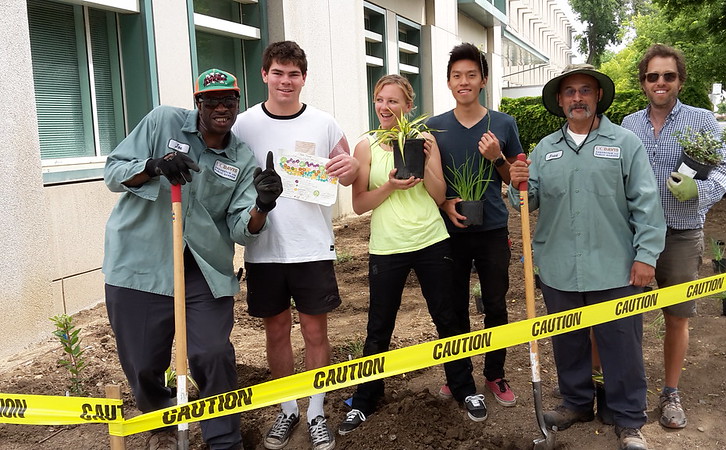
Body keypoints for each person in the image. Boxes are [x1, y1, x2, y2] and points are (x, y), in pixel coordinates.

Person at [103, 68, 282, 450]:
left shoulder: (241, 158)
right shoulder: (161, 121)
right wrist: (152, 167)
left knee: (212, 353)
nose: (221, 107)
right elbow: (114, 171)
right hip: (140, 266)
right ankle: (164, 424)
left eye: (228, 100)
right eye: (211, 100)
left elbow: (239, 226)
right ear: (197, 102)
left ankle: (224, 440)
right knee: (142, 363)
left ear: (237, 104)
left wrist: (264, 205)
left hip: (203, 269)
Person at [508, 64, 666, 450]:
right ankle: (577, 403)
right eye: (569, 92)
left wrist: (646, 256)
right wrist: (516, 183)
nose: (577, 98)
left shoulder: (625, 143)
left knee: (622, 345)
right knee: (568, 342)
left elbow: (646, 204)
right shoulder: (546, 149)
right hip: (559, 267)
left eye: (585, 91)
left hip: (615, 267)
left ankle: (628, 419)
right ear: (560, 101)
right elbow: (526, 204)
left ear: (597, 98)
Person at [336, 74, 484, 435]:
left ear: (408, 107)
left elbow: (437, 195)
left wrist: (428, 160)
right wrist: (390, 185)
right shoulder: (366, 146)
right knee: (378, 327)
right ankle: (366, 398)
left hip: (432, 240)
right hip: (387, 247)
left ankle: (465, 389)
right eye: (379, 100)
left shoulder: (424, 139)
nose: (385, 107)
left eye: (393, 101)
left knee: (447, 318)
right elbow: (358, 205)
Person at [231, 41, 358, 450]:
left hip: (312, 246)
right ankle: (287, 409)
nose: (286, 81)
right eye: (278, 73)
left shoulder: (323, 123)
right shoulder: (243, 125)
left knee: (315, 330)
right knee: (277, 331)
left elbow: (349, 171)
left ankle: (317, 411)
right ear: (265, 74)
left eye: (294, 74)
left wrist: (350, 166)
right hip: (264, 247)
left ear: (304, 78)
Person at [621, 44, 726, 430]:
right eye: (653, 76)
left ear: (680, 80)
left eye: (668, 76)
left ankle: (670, 392)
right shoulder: (628, 124)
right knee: (626, 316)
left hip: (681, 234)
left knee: (676, 317)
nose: (660, 83)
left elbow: (725, 169)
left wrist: (699, 193)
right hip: (634, 238)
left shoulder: (701, 120)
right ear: (643, 82)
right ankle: (625, 388)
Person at [427, 43, 524, 408]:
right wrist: (443, 202)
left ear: (483, 80)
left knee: (496, 304)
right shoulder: (434, 127)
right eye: (456, 76)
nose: (463, 82)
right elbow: (427, 178)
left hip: (493, 230)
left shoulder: (503, 123)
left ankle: (495, 374)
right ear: (449, 82)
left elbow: (516, 179)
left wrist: (496, 155)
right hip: (447, 232)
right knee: (452, 307)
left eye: (471, 75)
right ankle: (458, 376)